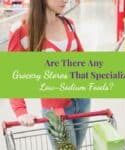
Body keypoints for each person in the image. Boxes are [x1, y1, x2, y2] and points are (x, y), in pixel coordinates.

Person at [8, 0, 91, 149]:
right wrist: (21, 111)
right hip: (55, 110)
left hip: (83, 101)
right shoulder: (22, 31)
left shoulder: (68, 24)